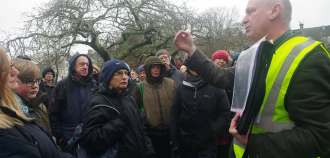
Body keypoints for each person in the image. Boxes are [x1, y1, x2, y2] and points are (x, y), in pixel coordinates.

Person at [173, 0, 330, 157]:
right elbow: (221, 76)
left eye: (251, 11)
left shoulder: (308, 57)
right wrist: (191, 49)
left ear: (274, 11)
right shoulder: (254, 54)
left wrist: (253, 141)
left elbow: (320, 136)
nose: (243, 19)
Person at [0, 47, 73, 158]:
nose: (15, 71)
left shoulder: (36, 107)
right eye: (8, 68)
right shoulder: (8, 126)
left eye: (36, 81)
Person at [81, 59, 155, 158]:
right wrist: (118, 123)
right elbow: (90, 140)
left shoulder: (129, 98)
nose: (124, 77)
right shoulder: (99, 102)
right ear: (108, 77)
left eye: (126, 73)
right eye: (118, 73)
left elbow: (142, 129)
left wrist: (149, 152)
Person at [170, 68, 230, 158]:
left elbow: (224, 112)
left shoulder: (216, 86)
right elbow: (174, 113)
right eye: (192, 65)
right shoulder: (182, 87)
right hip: (185, 144)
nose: (195, 67)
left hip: (207, 145)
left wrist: (213, 130)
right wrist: (174, 139)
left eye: (196, 64)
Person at [49, 54, 98, 150]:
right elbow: (54, 113)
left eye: (87, 65)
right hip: (68, 137)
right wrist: (60, 136)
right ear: (73, 66)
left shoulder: (95, 86)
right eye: (81, 64)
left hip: (90, 136)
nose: (85, 67)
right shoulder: (61, 86)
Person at [133, 56, 177, 158]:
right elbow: (134, 109)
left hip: (169, 134)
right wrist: (145, 117)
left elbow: (177, 106)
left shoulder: (171, 84)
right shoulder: (139, 87)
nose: (156, 70)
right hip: (150, 135)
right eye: (153, 67)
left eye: (158, 67)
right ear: (148, 69)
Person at [12, 58, 52, 134]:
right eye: (29, 81)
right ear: (13, 80)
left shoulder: (40, 106)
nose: (35, 86)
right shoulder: (11, 112)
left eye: (37, 80)